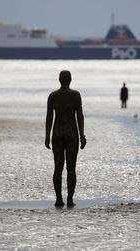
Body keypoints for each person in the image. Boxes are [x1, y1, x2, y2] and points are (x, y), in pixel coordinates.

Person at [45, 70, 86, 208]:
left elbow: (49, 117)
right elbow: (79, 116)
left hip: (56, 134)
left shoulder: (52, 96)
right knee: (71, 168)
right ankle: (69, 199)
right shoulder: (75, 95)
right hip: (71, 135)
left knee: (58, 168)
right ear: (70, 80)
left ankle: (58, 199)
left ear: (59, 79)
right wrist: (82, 135)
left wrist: (47, 136)